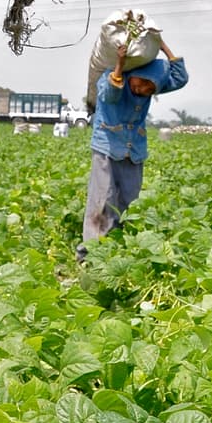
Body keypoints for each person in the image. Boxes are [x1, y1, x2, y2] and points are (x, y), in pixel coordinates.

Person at [77, 38, 187, 260]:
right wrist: (119, 63)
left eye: (150, 89)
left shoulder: (151, 83)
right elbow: (110, 94)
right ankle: (89, 254)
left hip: (133, 150)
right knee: (102, 199)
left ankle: (118, 248)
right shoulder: (112, 79)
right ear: (133, 73)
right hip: (106, 147)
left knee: (129, 202)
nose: (143, 89)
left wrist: (162, 45)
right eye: (142, 83)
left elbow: (180, 78)